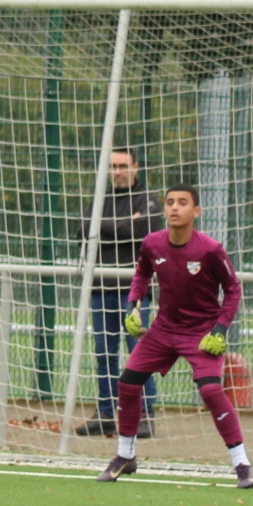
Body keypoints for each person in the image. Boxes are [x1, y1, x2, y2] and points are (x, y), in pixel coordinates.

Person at [97, 184, 253, 489]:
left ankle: (242, 464)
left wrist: (220, 328)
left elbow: (233, 289)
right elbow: (142, 274)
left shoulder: (210, 249)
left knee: (211, 391)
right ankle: (125, 456)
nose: (174, 207)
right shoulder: (152, 243)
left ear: (196, 211)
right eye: (170, 202)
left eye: (183, 202)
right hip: (163, 330)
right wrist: (133, 305)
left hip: (201, 332)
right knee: (127, 384)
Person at [77, 147, 159, 437]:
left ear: (135, 167)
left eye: (123, 166)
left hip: (134, 291)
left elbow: (144, 230)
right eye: (113, 166)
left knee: (139, 351)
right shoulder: (100, 199)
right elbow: (82, 230)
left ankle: (145, 414)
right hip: (101, 287)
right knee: (104, 353)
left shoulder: (148, 200)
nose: (117, 172)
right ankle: (105, 413)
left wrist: (104, 228)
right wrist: (123, 226)